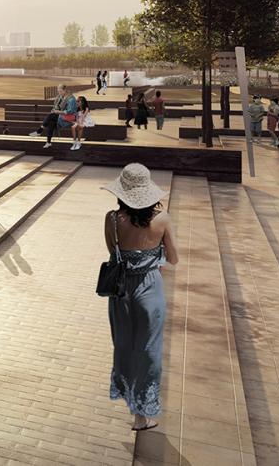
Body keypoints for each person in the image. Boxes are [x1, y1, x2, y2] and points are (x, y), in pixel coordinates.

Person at [104, 163, 178, 432]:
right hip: (150, 286)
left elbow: (114, 253)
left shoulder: (112, 219)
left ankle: (127, 397)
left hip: (121, 289)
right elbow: (173, 258)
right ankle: (141, 415)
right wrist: (150, 255)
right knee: (149, 349)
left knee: (124, 344)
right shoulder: (162, 219)